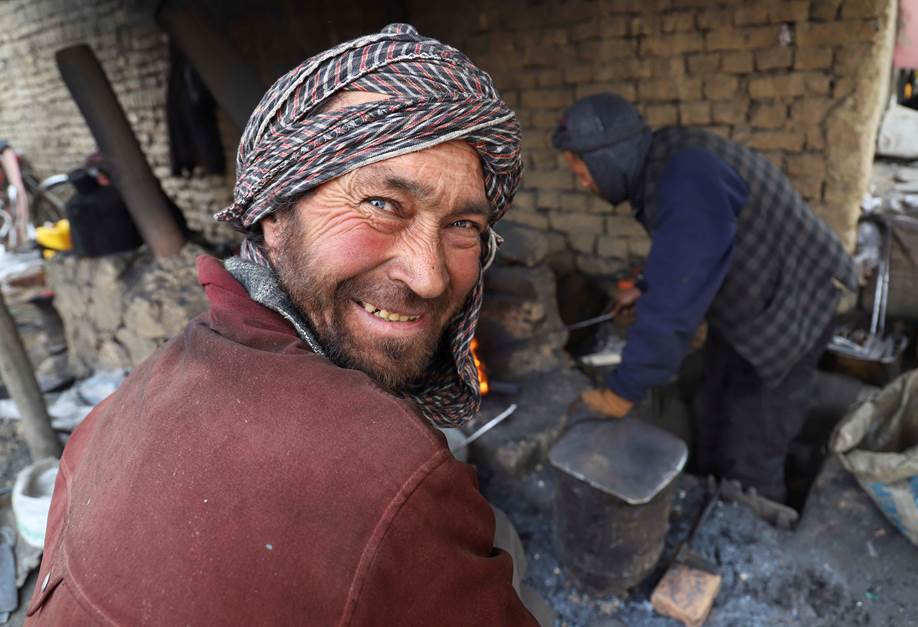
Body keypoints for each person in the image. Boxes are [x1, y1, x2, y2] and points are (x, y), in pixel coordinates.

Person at [26, 24, 549, 626]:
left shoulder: (130, 395)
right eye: (382, 205)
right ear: (274, 213)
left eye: (463, 226)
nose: (430, 277)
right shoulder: (387, 471)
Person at [552, 93, 856, 504]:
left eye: (582, 170)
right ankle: (708, 495)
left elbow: (673, 310)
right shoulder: (667, 161)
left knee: (752, 444)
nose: (583, 183)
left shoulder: (684, 176)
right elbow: (690, 253)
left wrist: (619, 393)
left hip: (794, 309)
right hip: (753, 306)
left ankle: (756, 530)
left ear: (610, 157)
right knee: (711, 406)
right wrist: (643, 286)